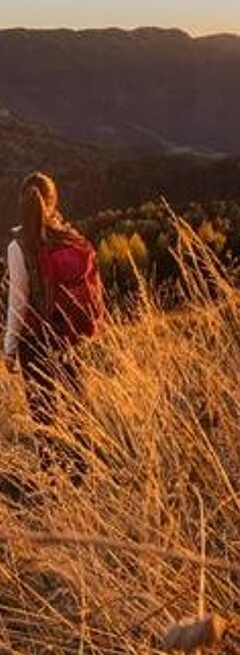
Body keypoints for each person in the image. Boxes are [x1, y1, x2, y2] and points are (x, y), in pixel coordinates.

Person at [3, 172, 103, 477]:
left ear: (22, 202)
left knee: (44, 413)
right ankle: (84, 472)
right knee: (76, 406)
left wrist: (8, 349)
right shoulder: (71, 238)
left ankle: (52, 479)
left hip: (34, 342)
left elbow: (17, 303)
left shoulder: (19, 246)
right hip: (69, 337)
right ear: (53, 201)